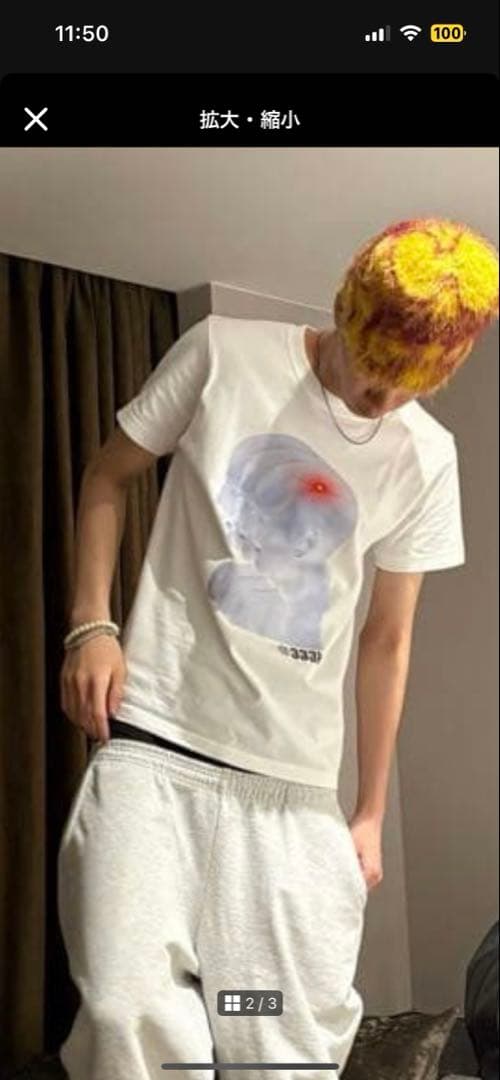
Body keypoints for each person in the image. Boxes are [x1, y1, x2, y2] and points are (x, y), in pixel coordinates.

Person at [57, 218, 498, 1079]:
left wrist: (368, 813)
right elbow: (108, 473)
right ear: (345, 313)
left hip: (292, 793)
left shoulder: (426, 456)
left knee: (265, 1030)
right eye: (373, 374)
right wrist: (91, 624)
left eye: (407, 388)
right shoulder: (223, 353)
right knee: (129, 1012)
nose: (381, 403)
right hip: (158, 746)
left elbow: (388, 638)